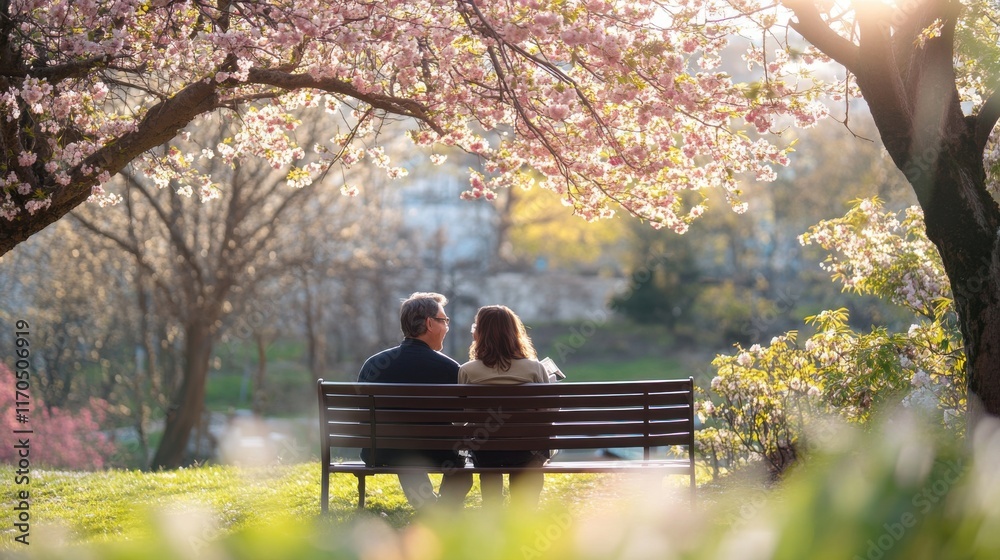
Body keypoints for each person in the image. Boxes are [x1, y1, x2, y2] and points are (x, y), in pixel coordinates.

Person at [356, 292, 473, 511]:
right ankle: (440, 512)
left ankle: (429, 508)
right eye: (444, 320)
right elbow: (463, 417)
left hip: (381, 450)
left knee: (405, 454)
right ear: (429, 323)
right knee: (461, 470)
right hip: (436, 451)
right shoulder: (449, 368)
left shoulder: (373, 364)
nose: (447, 327)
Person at [458, 305, 550, 509]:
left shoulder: (467, 371)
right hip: (526, 451)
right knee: (532, 449)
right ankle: (524, 507)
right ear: (515, 333)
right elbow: (548, 413)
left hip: (486, 451)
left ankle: (492, 508)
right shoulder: (535, 368)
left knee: (487, 448)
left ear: (479, 334)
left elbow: (462, 416)